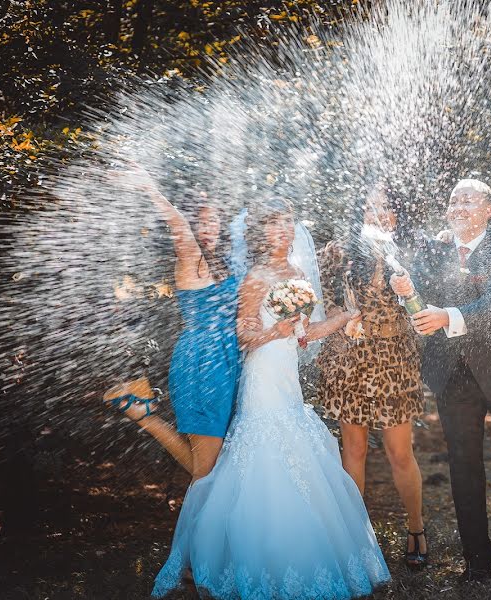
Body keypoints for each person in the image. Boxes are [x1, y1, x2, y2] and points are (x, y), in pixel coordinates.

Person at [152, 199, 391, 599]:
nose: (285, 230)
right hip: (262, 378)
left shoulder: (295, 272)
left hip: (288, 380)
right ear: (260, 233)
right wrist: (275, 333)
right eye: (275, 224)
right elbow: (245, 336)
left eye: (290, 223)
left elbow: (305, 334)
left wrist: (343, 318)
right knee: (261, 457)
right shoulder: (256, 278)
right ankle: (226, 560)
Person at [390, 179, 491, 585]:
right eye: (453, 200)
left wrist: (448, 317)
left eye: (468, 199)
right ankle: (477, 558)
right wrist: (407, 292)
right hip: (453, 375)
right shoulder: (435, 250)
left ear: (488, 210)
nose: (459, 206)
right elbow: (420, 301)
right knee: (463, 467)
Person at [104, 165, 257, 482]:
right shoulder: (191, 259)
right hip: (203, 363)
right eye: (200, 222)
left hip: (226, 362)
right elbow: (177, 224)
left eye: (213, 220)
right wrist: (151, 191)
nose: (207, 227)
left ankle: (142, 412)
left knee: (219, 464)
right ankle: (144, 416)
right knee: (206, 470)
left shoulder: (222, 263)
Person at [317, 185, 429, 569]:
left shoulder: (413, 250)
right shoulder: (340, 251)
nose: (376, 214)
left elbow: (424, 313)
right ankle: (355, 537)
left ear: (397, 214)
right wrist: (342, 319)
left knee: (400, 453)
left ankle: (416, 529)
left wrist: (410, 290)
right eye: (369, 207)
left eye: (384, 208)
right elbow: (322, 295)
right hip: (352, 361)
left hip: (396, 361)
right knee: (355, 450)